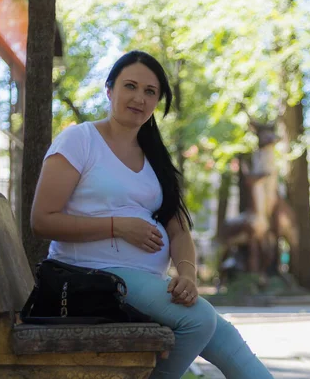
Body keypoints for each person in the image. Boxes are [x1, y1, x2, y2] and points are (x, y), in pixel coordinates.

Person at [30, 50, 273, 379]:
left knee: (225, 336)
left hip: (144, 283)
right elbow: (42, 220)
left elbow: (180, 232)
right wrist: (117, 227)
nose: (139, 98)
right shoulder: (79, 140)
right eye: (130, 86)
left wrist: (187, 275)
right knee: (198, 319)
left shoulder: (155, 157)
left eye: (150, 92)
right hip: (89, 275)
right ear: (109, 90)